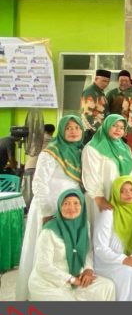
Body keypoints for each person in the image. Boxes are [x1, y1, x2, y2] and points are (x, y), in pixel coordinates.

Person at [17, 115, 84, 301]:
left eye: (76, 128)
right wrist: (47, 213)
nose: (73, 131)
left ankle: (67, 286)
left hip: (72, 209)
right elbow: (39, 184)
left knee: (65, 250)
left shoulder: (80, 152)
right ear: (61, 130)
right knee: (44, 251)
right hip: (49, 208)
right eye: (68, 128)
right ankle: (36, 294)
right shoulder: (50, 152)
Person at [28, 190, 116, 301]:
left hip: (77, 276)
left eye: (76, 203)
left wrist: (88, 270)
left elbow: (87, 251)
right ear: (60, 207)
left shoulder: (84, 226)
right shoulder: (49, 231)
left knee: (107, 286)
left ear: (82, 206)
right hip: (49, 282)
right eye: (66, 203)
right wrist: (71, 279)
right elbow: (43, 266)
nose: (71, 207)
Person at [93, 176, 132, 301]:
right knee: (130, 272)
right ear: (116, 194)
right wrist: (124, 260)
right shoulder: (108, 213)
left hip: (129, 258)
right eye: (122, 191)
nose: (128, 194)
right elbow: (100, 248)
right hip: (107, 262)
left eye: (131, 189)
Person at [82, 114, 132, 223]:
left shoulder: (126, 149)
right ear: (106, 125)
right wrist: (99, 197)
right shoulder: (93, 147)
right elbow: (90, 174)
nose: (118, 130)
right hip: (101, 198)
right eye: (114, 125)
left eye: (121, 128)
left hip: (122, 198)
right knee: (101, 228)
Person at [80, 69, 111, 139]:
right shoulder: (90, 92)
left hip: (100, 130)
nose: (106, 84)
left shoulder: (100, 92)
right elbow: (87, 114)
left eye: (108, 82)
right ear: (96, 79)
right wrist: (100, 130)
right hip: (91, 132)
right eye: (103, 81)